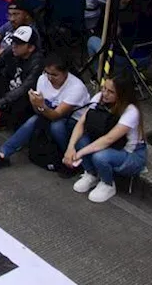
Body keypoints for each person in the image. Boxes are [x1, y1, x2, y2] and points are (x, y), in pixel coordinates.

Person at [0, 54, 89, 171]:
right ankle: (3, 153)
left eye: (54, 75)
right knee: (33, 120)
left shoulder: (76, 88)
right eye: (47, 73)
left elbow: (56, 115)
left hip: (75, 122)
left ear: (66, 73)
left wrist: (41, 106)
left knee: (56, 126)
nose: (49, 77)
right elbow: (39, 112)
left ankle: (68, 157)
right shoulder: (42, 79)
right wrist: (35, 104)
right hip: (50, 113)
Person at [63, 73, 147, 203]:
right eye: (104, 88)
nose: (105, 94)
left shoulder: (131, 112)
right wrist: (70, 147)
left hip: (130, 153)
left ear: (122, 94)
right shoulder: (99, 98)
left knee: (100, 156)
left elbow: (109, 139)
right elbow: (81, 123)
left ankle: (107, 184)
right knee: (81, 139)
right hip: (108, 144)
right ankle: (91, 173)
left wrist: (77, 154)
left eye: (111, 92)